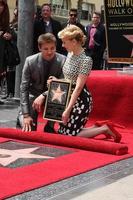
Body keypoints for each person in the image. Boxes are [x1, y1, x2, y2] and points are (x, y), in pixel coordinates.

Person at [17, 33, 66, 132]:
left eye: (52, 48)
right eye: (46, 49)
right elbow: (24, 88)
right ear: (39, 48)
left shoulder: (63, 60)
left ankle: (50, 126)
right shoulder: (30, 61)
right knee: (28, 128)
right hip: (33, 94)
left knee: (60, 94)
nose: (49, 52)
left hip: (53, 94)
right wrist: (26, 115)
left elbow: (64, 85)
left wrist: (44, 95)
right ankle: (23, 118)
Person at [0, 0, 17, 101]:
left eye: (2, 5)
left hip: (2, 52)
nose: (0, 7)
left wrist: (9, 36)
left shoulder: (5, 21)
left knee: (1, 74)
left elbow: (13, 35)